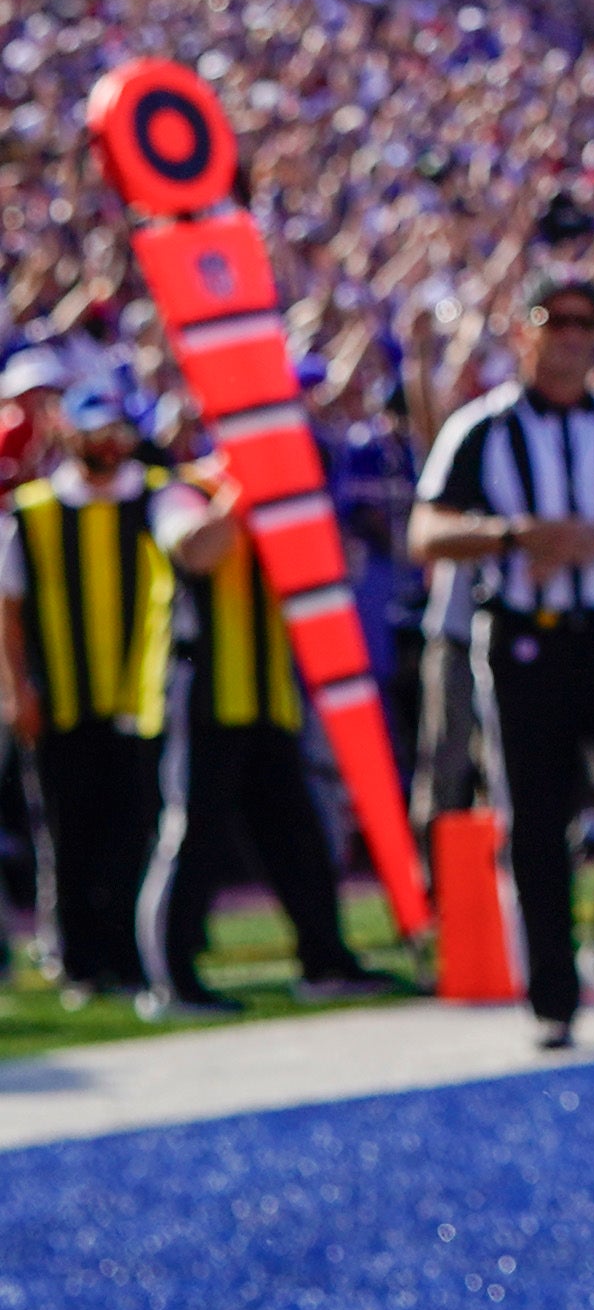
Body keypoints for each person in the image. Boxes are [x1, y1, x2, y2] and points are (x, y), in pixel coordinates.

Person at [409, 277, 594, 1053]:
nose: (570, 335)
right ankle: (553, 995)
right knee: (536, 819)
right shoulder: (482, 426)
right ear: (525, 331)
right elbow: (426, 532)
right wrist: (515, 535)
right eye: (556, 320)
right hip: (526, 642)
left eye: (585, 322)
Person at [140, 439, 398, 1011]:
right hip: (203, 693)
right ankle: (173, 981)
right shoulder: (182, 489)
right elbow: (199, 550)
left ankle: (325, 961)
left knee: (297, 837)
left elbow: (330, 569)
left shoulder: (285, 496)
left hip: (268, 693)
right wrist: (246, 489)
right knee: (192, 835)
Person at [7, 375, 179, 999]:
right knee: (69, 834)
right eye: (95, 432)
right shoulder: (32, 511)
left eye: (115, 432)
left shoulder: (157, 497)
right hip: (63, 697)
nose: (108, 445)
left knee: (136, 830)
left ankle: (134, 955)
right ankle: (80, 961)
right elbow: (8, 610)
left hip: (142, 697)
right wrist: (17, 691)